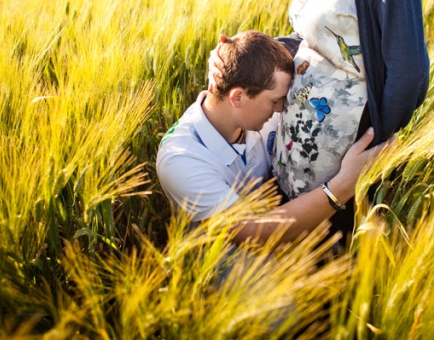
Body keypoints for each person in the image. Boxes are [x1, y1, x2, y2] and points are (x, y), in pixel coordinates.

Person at [211, 0, 429, 238]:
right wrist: (242, 55)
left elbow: (408, 72)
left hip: (342, 171)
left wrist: (373, 149)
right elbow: (309, 46)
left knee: (334, 274)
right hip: (297, 166)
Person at [157, 30, 386, 245]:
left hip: (287, 240)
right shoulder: (180, 159)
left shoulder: (252, 109)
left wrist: (233, 52)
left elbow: (302, 40)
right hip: (225, 270)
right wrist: (345, 184)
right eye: (274, 101)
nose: (280, 110)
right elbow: (252, 235)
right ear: (237, 97)